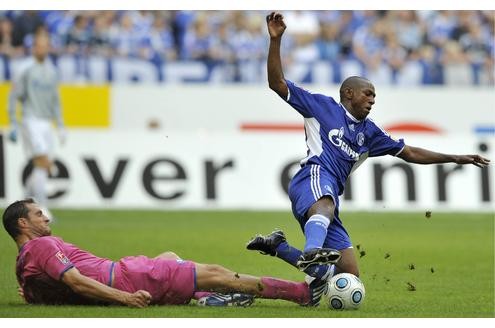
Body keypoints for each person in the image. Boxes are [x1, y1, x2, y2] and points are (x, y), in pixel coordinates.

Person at [246, 12, 491, 306]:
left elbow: (409, 152)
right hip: (311, 179)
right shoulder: (321, 106)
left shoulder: (370, 132)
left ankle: (280, 247)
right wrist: (276, 41)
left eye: (374, 96)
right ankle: (313, 250)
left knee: (344, 276)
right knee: (326, 203)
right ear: (349, 93)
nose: (373, 100)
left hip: (329, 199)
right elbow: (277, 83)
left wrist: (454, 158)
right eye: (368, 94)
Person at [3, 198, 317, 308]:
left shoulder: (25, 266)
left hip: (128, 272)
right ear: (22, 223)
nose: (46, 217)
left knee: (168, 255)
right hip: (130, 279)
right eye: (38, 214)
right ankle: (301, 293)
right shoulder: (41, 246)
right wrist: (126, 298)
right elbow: (75, 282)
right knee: (224, 275)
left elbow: (49, 289)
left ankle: (205, 296)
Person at [6, 28, 66, 221]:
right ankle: (43, 209)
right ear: (33, 48)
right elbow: (13, 96)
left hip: (47, 123)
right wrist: (13, 123)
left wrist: (61, 125)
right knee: (43, 163)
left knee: (41, 168)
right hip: (30, 121)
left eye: (45, 46)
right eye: (39, 46)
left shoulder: (52, 70)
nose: (42, 49)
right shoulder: (25, 69)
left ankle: (24, 204)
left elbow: (55, 100)